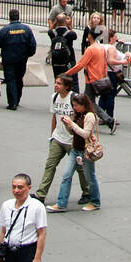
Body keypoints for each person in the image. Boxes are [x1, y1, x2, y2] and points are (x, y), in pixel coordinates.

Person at [35, 74, 90, 206]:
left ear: (67, 86)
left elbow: (82, 117)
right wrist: (52, 135)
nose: (56, 85)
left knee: (80, 168)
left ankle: (87, 192)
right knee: (50, 165)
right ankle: (41, 194)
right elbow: (54, 117)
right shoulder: (54, 97)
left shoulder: (74, 98)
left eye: (59, 83)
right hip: (58, 138)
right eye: (56, 83)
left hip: (72, 140)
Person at [0, 173, 47, 262]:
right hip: (10, 253)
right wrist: (1, 256)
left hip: (27, 252)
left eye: (20, 187)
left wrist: (37, 259)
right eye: (14, 187)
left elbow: (42, 234)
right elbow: (3, 231)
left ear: (29, 188)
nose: (16, 191)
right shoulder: (6, 206)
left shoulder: (37, 207)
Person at [46, 93, 101, 212]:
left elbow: (85, 133)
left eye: (76, 105)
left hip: (85, 151)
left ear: (83, 105)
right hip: (75, 150)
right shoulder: (78, 115)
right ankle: (61, 203)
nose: (74, 108)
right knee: (66, 175)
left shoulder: (90, 116)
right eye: (73, 105)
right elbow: (73, 133)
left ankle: (95, 201)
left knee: (90, 177)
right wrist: (68, 125)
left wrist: (71, 124)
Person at [0, 8, 37, 111]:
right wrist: (27, 54)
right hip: (22, 59)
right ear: (18, 17)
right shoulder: (26, 29)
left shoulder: (5, 30)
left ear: (9, 18)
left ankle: (12, 103)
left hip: (9, 60)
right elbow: (33, 45)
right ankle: (17, 99)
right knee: (19, 79)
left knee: (11, 80)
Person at [64, 29, 110, 110]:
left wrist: (67, 73)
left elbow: (80, 65)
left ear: (90, 36)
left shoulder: (90, 49)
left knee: (89, 102)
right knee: (89, 100)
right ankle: (96, 116)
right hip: (99, 77)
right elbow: (104, 64)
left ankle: (107, 118)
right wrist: (104, 75)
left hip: (91, 78)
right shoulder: (101, 48)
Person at [48, 13, 78, 90]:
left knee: (58, 80)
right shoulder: (70, 34)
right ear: (65, 22)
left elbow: (50, 30)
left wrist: (56, 22)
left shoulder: (53, 33)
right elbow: (74, 35)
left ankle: (57, 95)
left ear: (56, 21)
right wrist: (69, 25)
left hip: (56, 62)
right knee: (72, 81)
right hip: (69, 61)